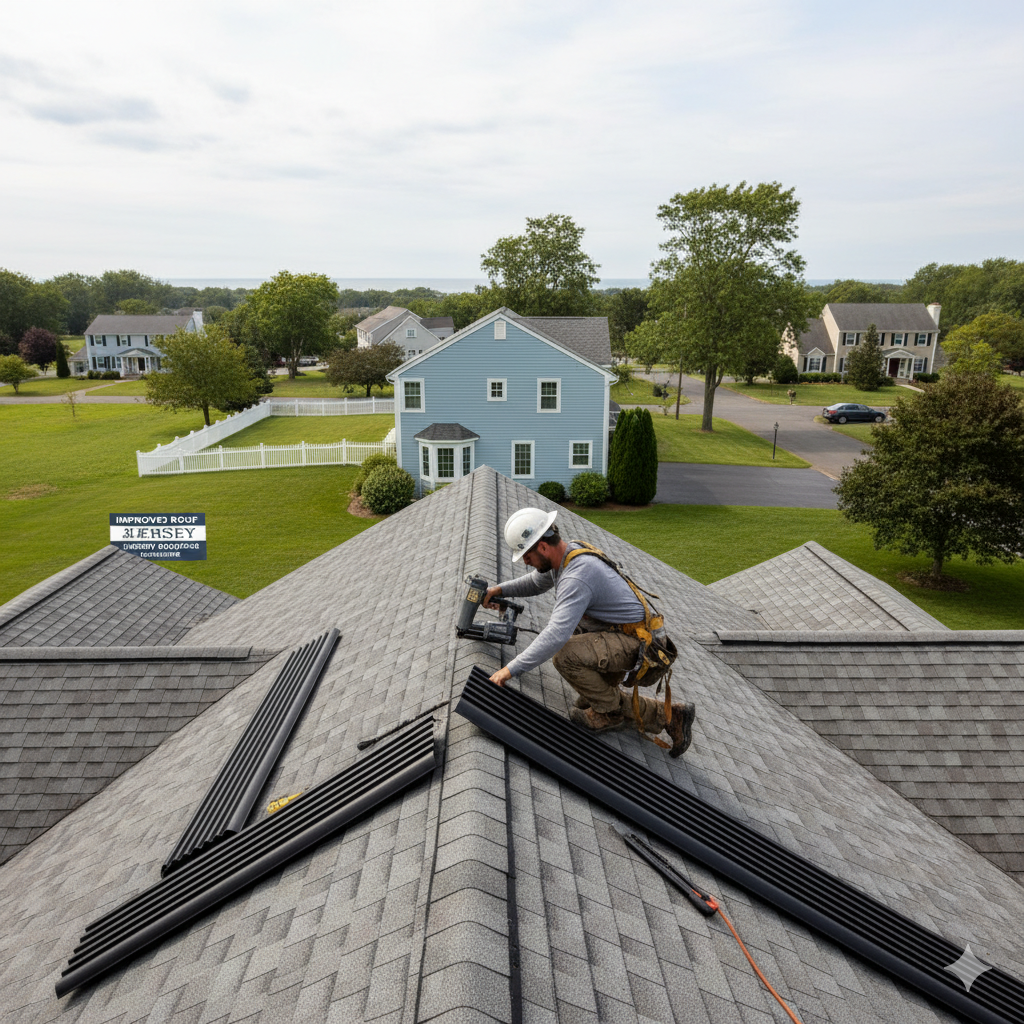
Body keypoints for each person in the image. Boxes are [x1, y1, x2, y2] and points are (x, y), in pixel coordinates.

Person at [485, 507, 695, 757]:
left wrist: (509, 670)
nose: (526, 562)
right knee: (584, 688)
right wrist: (498, 591)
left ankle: (653, 714)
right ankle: (607, 696)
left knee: (565, 655)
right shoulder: (567, 553)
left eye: (526, 556)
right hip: (624, 634)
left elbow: (555, 635)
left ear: (542, 546)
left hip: (639, 645)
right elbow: (535, 582)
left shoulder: (577, 576)